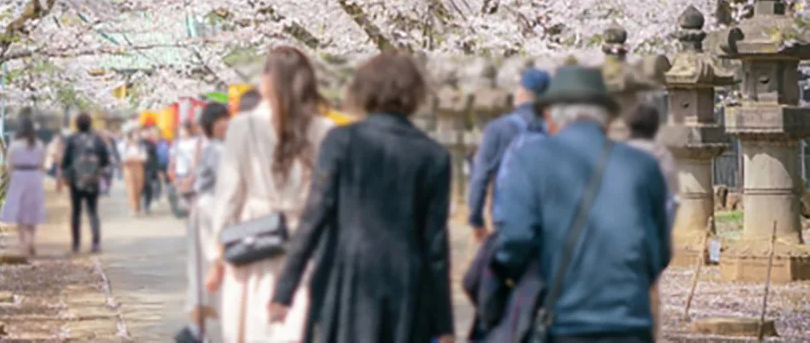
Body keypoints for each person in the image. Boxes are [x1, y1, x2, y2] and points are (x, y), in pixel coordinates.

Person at [269, 48, 455, 343]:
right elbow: (436, 245)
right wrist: (444, 325)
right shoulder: (434, 156)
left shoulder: (342, 141)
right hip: (408, 284)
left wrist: (284, 290)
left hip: (349, 280)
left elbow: (314, 216)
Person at [493, 65, 671, 343]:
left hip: (561, 321)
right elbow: (659, 252)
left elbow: (514, 241)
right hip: (629, 322)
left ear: (549, 116)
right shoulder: (642, 166)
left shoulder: (529, 159)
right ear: (609, 118)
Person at [205, 45, 334, 343]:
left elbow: (229, 196)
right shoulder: (325, 129)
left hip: (254, 237)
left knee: (253, 326)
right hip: (306, 241)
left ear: (268, 81)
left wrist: (217, 256)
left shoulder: (243, 126)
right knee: (297, 326)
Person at [466, 67, 550, 242]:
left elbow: (480, 176)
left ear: (522, 92)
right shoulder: (555, 129)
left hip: (507, 219)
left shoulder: (499, 128)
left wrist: (476, 219)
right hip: (548, 221)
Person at [625, 100, 679, 341]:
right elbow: (670, 204)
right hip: (649, 238)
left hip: (618, 237)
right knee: (651, 295)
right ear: (656, 127)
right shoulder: (663, 158)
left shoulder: (616, 154)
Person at [184, 102, 231, 342]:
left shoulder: (218, 147)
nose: (224, 123)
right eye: (218, 120)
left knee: (205, 269)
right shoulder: (216, 149)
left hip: (210, 210)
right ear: (209, 125)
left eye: (226, 118)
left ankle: (197, 328)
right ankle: (197, 328)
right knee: (209, 267)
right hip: (209, 212)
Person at [58, 112, 111, 253]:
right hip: (93, 180)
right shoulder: (97, 139)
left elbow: (65, 161)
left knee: (76, 212)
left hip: (76, 180)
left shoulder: (72, 139)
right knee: (93, 211)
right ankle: (95, 242)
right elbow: (106, 159)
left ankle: (76, 243)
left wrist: (65, 176)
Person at [0, 113, 48, 256]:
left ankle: (22, 242)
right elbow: (42, 164)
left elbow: (9, 164)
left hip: (19, 175)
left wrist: (11, 178)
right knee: (33, 208)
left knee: (20, 209)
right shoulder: (38, 145)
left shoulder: (15, 145)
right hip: (34, 176)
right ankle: (32, 239)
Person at [120, 127, 146, 215]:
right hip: (128, 169)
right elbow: (124, 159)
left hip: (139, 168)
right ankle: (133, 208)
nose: (137, 136)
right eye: (135, 134)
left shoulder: (141, 146)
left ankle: (137, 207)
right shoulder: (124, 146)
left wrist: (133, 158)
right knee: (131, 188)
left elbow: (143, 158)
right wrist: (135, 158)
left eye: (138, 134)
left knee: (138, 188)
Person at [142, 126, 162, 211]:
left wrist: (157, 169)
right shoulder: (138, 143)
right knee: (143, 187)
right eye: (144, 132)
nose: (146, 133)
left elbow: (155, 157)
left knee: (149, 186)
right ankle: (144, 203)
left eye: (147, 132)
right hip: (140, 168)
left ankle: (147, 204)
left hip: (150, 168)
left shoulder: (151, 144)